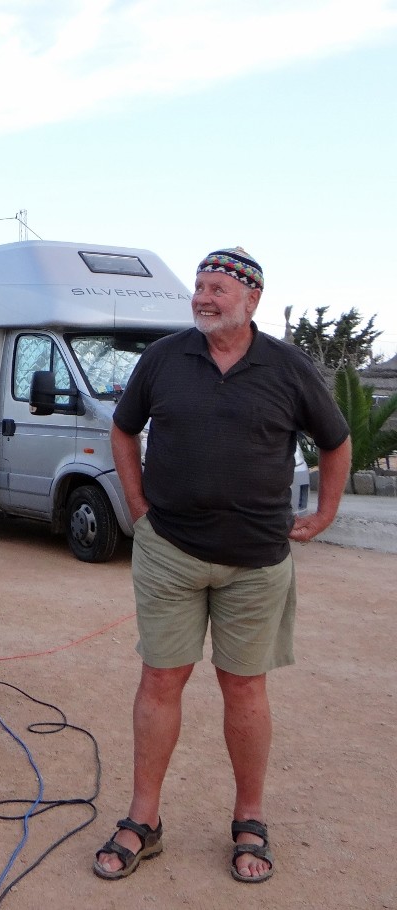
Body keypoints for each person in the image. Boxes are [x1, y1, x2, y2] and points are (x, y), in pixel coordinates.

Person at [93, 247, 352, 884]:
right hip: (170, 552)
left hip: (257, 562)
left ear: (251, 298)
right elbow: (123, 431)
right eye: (200, 287)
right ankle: (143, 820)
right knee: (160, 682)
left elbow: (337, 440)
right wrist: (137, 507)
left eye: (219, 289)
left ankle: (250, 819)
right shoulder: (163, 359)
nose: (204, 298)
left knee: (245, 688)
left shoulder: (289, 367)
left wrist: (323, 515)